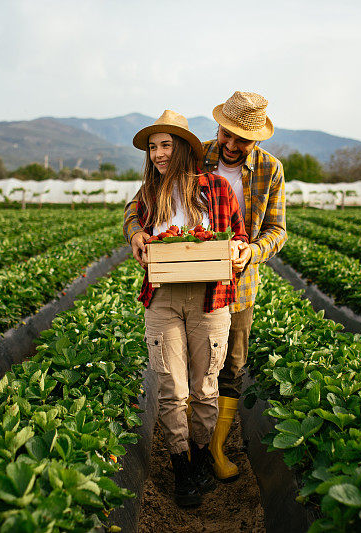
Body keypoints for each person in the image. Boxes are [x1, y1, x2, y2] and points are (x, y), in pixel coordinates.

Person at [124, 91, 287, 481]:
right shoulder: (198, 155)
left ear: (256, 139)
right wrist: (134, 233)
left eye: (240, 140)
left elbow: (275, 229)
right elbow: (142, 202)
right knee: (180, 382)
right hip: (174, 286)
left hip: (235, 284)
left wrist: (249, 252)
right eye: (225, 135)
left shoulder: (269, 170)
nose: (230, 145)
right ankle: (190, 460)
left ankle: (212, 451)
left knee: (225, 370)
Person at [130, 110, 249, 507]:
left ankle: (199, 461)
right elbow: (131, 219)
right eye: (153, 146)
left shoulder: (214, 188)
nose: (158, 153)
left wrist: (235, 250)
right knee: (171, 387)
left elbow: (240, 237)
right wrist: (135, 234)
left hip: (209, 297)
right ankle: (182, 469)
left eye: (165, 145)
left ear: (182, 148)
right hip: (163, 298)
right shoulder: (149, 193)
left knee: (204, 388)